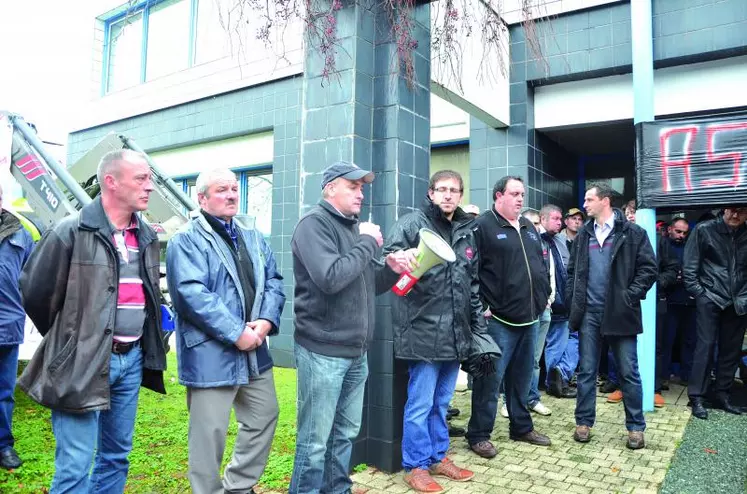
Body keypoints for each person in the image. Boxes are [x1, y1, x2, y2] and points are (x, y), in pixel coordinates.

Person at [18, 150, 168, 492]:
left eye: (151, 179)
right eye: (141, 178)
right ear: (111, 182)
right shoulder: (70, 231)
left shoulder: (145, 236)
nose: (151, 187)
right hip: (81, 363)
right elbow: (35, 293)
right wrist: (72, 341)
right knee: (75, 465)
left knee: (116, 457)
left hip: (130, 362)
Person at [289, 162, 413, 494]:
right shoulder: (313, 226)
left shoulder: (351, 228)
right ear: (330, 188)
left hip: (356, 353)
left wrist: (390, 269)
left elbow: (365, 282)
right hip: (323, 352)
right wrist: (368, 244)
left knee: (343, 436)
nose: (361, 194)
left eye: (362, 188)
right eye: (353, 187)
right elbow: (330, 278)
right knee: (315, 443)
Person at [166, 168, 285, 494]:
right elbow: (191, 295)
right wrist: (237, 333)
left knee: (264, 415)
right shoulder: (185, 240)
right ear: (202, 198)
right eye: (222, 190)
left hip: (255, 347)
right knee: (209, 433)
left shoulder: (252, 235)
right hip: (211, 353)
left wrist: (265, 321)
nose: (232, 194)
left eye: (234, 188)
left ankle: (238, 487)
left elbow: (274, 281)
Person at [384, 170, 486, 492]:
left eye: (454, 190)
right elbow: (387, 265)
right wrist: (398, 260)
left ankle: (438, 457)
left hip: (455, 333)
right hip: (422, 330)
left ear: (460, 195)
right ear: (430, 193)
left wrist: (475, 327)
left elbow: (471, 283)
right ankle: (415, 466)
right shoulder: (412, 224)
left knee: (441, 403)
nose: (447, 195)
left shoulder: (466, 230)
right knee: (420, 403)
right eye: (441, 189)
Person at [466, 176, 552, 459]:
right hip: (498, 322)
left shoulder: (528, 227)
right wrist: (482, 306)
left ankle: (521, 427)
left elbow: (539, 263)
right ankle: (479, 435)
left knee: (522, 379)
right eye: (515, 194)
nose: (520, 199)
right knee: (490, 382)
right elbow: (469, 271)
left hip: (529, 319)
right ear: (498, 196)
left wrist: (543, 296)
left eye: (523, 194)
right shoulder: (482, 226)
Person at [567, 182, 656, 450]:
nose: (585, 205)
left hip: (621, 312)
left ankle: (636, 427)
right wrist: (575, 299)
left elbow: (648, 269)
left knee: (629, 372)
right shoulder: (584, 235)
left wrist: (629, 296)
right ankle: (583, 422)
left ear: (605, 201)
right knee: (586, 372)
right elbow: (573, 271)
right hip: (589, 314)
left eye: (589, 199)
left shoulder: (633, 233)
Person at [683, 206, 747, 420]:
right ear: (724, 209)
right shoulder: (704, 230)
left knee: (731, 350)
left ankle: (722, 394)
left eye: (743, 211)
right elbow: (690, 267)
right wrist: (701, 294)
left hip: (739, 300)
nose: (736, 215)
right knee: (705, 347)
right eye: (732, 210)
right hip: (710, 296)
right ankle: (697, 396)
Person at [0, 184, 34, 470]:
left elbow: (32, 278)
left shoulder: (20, 233)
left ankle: (3, 446)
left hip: (7, 326)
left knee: (4, 390)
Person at [539, 204, 577, 400]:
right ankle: (553, 382)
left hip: (565, 302)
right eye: (555, 218)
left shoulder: (561, 241)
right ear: (543, 219)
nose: (559, 222)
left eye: (560, 218)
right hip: (548, 303)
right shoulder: (536, 241)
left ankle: (556, 377)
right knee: (554, 343)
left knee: (565, 340)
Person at [663, 218, 696, 384]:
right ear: (670, 229)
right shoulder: (662, 246)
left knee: (689, 340)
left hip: (690, 299)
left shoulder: (690, 247)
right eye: (678, 231)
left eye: (684, 232)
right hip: (670, 299)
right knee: (666, 340)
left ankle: (687, 375)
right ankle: (663, 375)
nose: (681, 235)